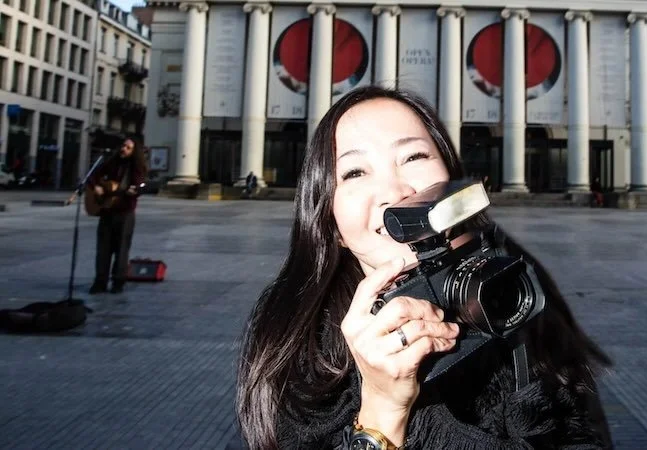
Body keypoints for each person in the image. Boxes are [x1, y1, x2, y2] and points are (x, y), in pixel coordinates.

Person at [236, 86, 613, 449]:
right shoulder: (294, 335)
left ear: (453, 176)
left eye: (413, 158)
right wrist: (383, 409)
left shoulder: (514, 291)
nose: (395, 191)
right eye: (355, 172)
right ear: (331, 225)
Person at [88, 138, 147, 294]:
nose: (124, 149)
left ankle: (118, 282)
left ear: (134, 151)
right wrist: (97, 187)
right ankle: (100, 282)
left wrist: (132, 191)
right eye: (123, 146)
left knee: (121, 249)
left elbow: (140, 187)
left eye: (128, 147)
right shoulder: (111, 163)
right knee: (103, 250)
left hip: (125, 213)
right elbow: (93, 176)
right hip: (106, 211)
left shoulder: (137, 169)